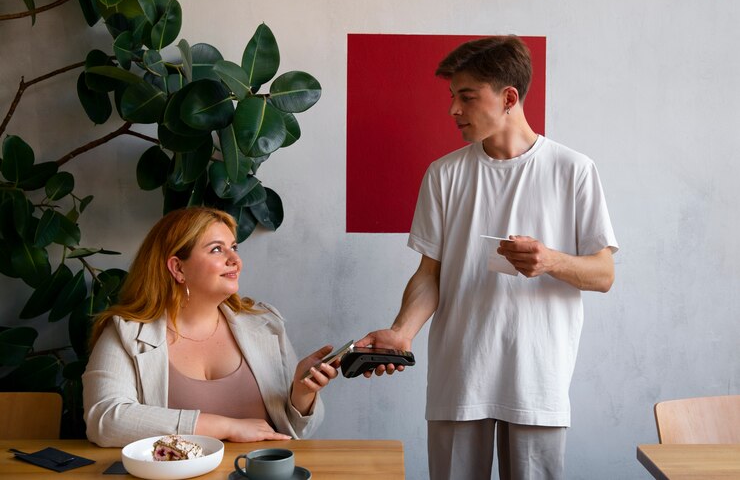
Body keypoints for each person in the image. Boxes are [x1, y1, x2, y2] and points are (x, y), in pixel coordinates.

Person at [356, 36, 618, 480]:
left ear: (509, 98)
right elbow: (430, 274)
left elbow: (604, 274)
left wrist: (550, 261)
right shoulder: (443, 174)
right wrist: (402, 332)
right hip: (459, 377)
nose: (453, 109)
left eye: (467, 96)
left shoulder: (573, 170)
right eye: (452, 96)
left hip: (537, 381)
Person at [83, 207, 338, 447]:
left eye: (234, 247)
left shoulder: (265, 324)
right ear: (178, 268)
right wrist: (227, 427)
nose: (235, 260)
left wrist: (301, 393)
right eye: (217, 249)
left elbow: (296, 433)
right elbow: (104, 420)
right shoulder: (126, 333)